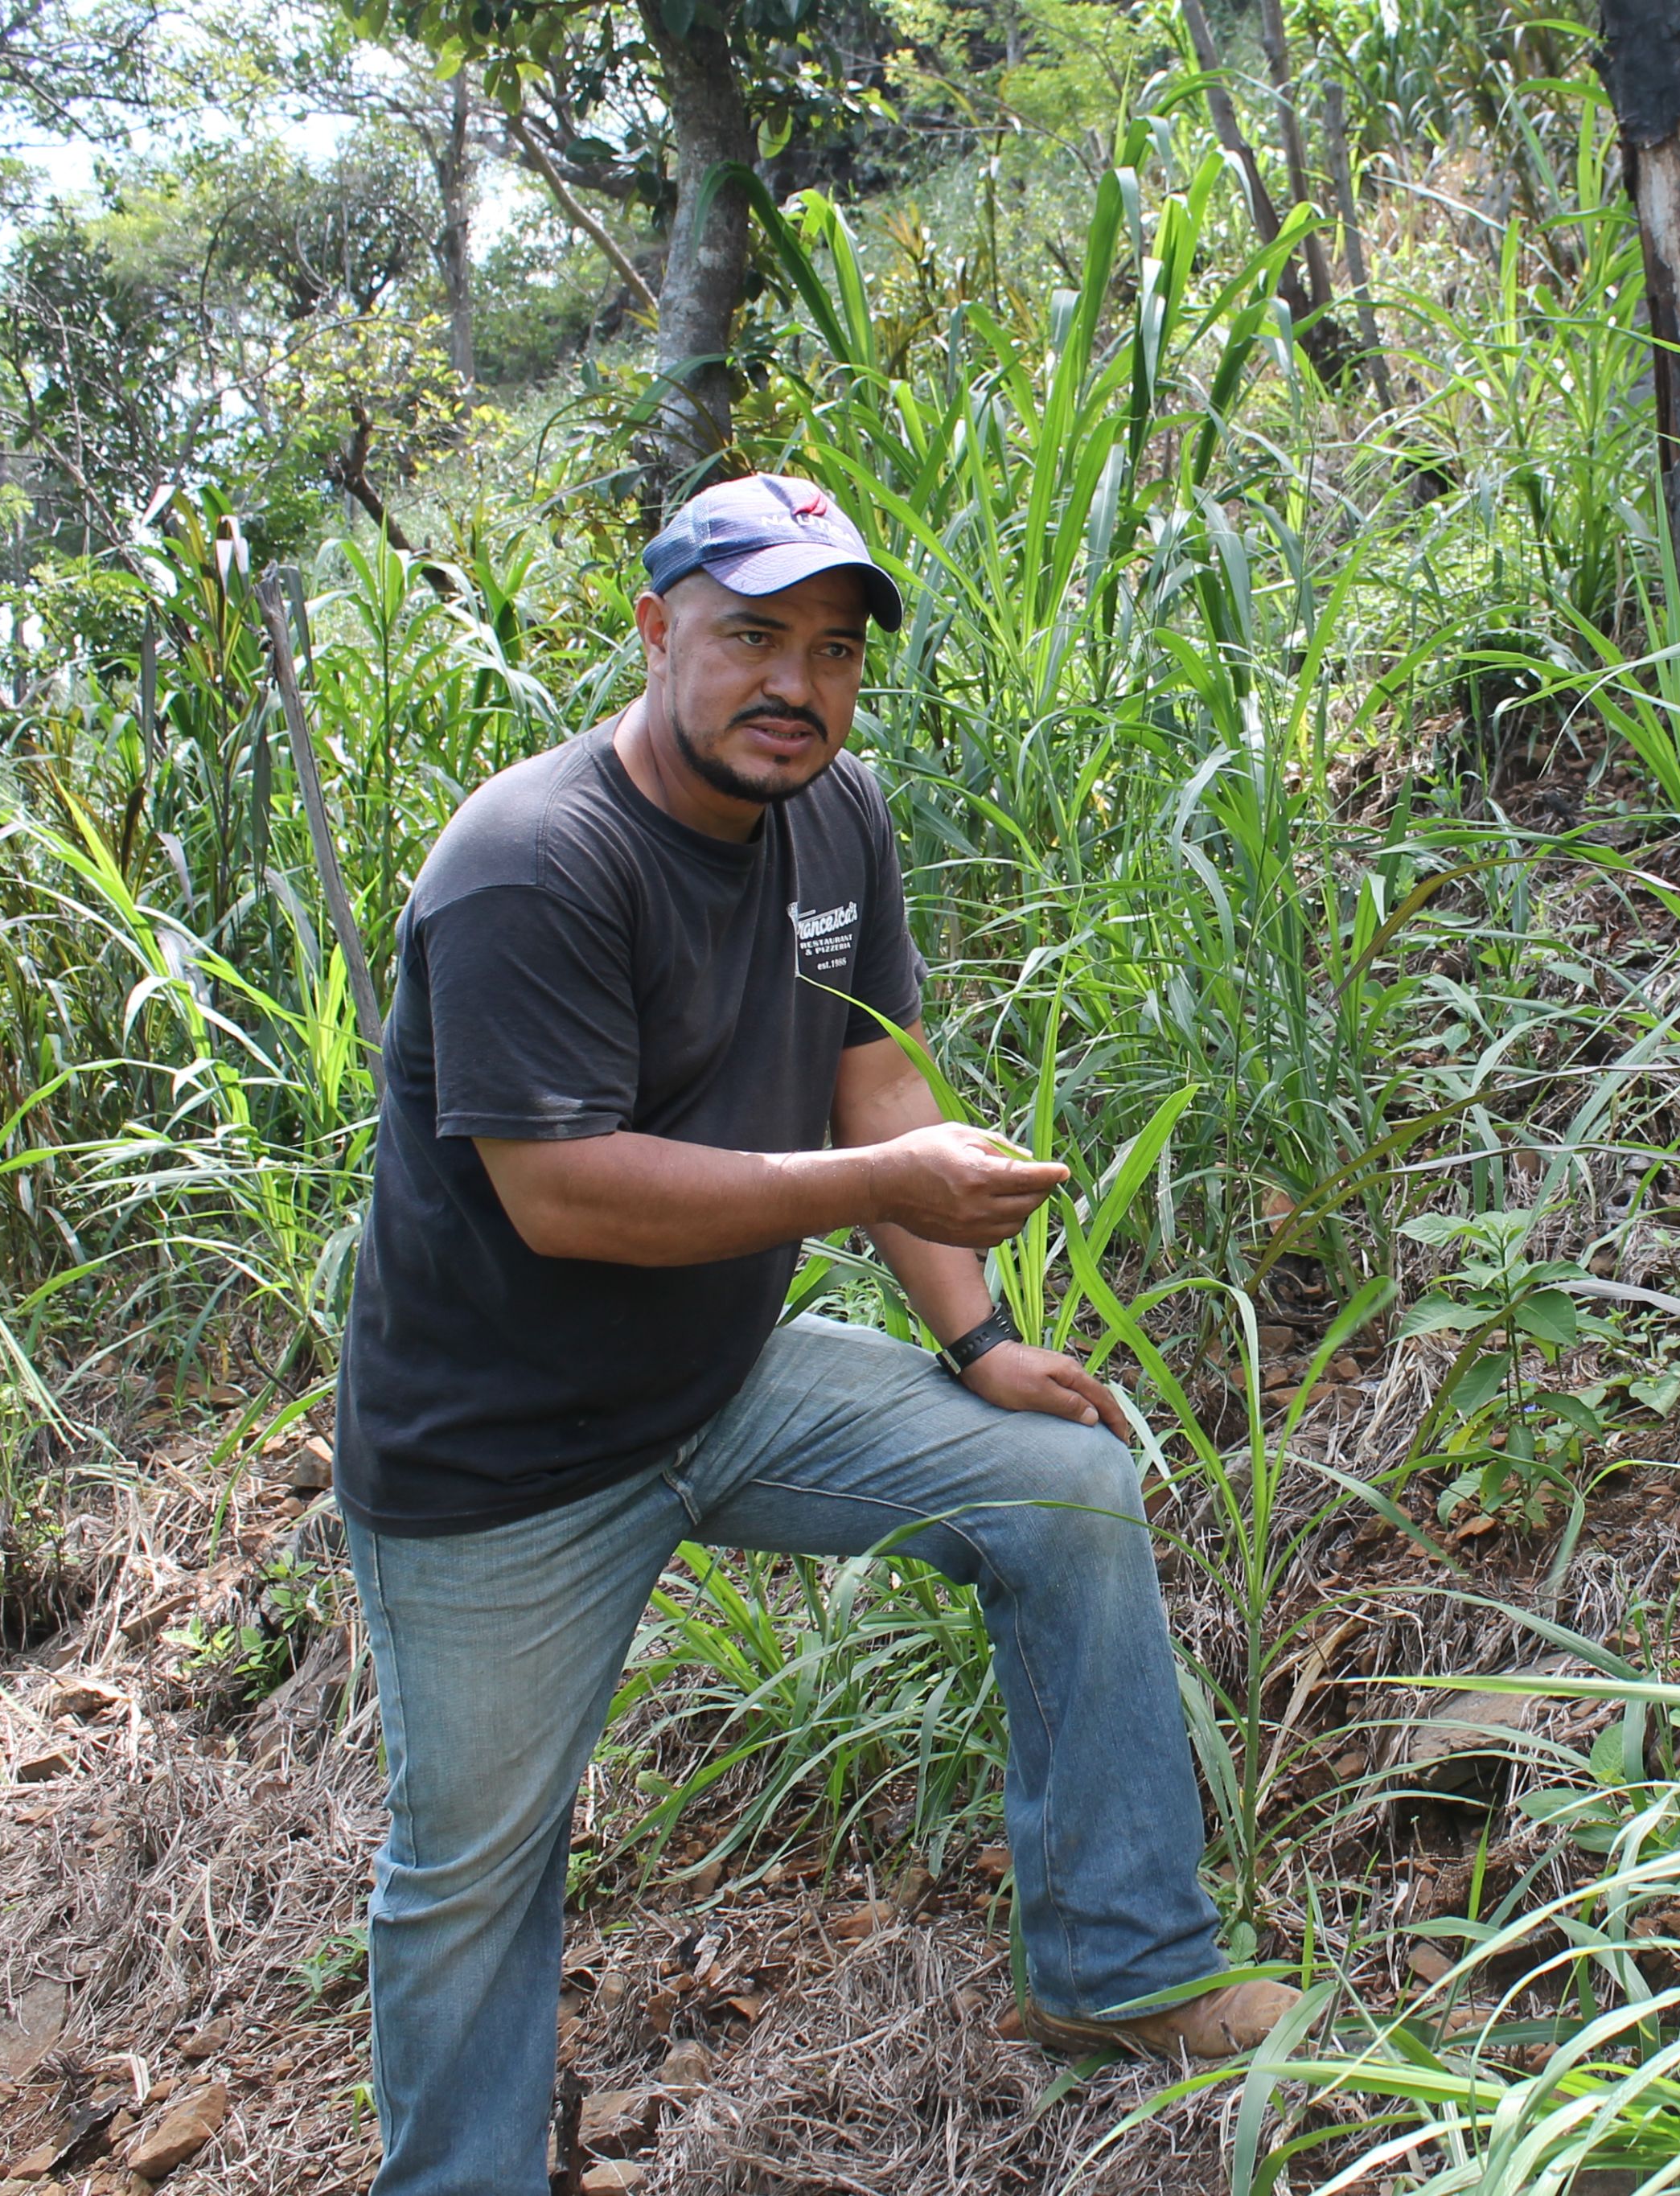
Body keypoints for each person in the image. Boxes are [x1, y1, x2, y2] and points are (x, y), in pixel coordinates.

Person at [333, 472, 1297, 2195]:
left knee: (1063, 1487)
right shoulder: (527, 864)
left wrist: (981, 1336)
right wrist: (878, 1174)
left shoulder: (836, 814)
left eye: (832, 649)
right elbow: (564, 1196)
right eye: (752, 635)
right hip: (498, 1462)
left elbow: (870, 1066)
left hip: (724, 1381)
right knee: (473, 1865)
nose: (796, 683)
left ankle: (1121, 1967)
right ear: (654, 634)